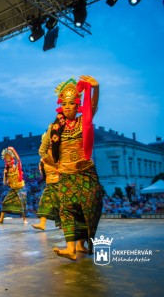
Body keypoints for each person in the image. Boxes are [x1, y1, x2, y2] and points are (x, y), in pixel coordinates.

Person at [49, 75, 103, 261]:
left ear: (77, 105)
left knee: (88, 208)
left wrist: (96, 88)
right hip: (66, 173)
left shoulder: (83, 121)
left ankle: (81, 243)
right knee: (66, 209)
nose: (67, 107)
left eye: (71, 103)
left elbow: (93, 106)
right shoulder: (56, 128)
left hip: (85, 172)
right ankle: (70, 247)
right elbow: (49, 151)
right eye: (64, 103)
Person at [32, 129, 61, 231]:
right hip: (49, 183)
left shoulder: (57, 153)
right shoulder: (43, 158)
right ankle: (42, 224)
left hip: (58, 183)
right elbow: (43, 173)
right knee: (44, 202)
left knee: (59, 205)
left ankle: (63, 224)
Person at [0, 147, 28, 224]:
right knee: (5, 202)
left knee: (22, 203)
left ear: (12, 160)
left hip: (20, 188)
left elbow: (18, 160)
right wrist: (4, 174)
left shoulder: (17, 168)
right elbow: (5, 183)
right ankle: (1, 219)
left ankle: (24, 219)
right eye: (7, 161)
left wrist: (12, 150)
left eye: (9, 161)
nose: (8, 163)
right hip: (13, 189)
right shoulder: (7, 171)